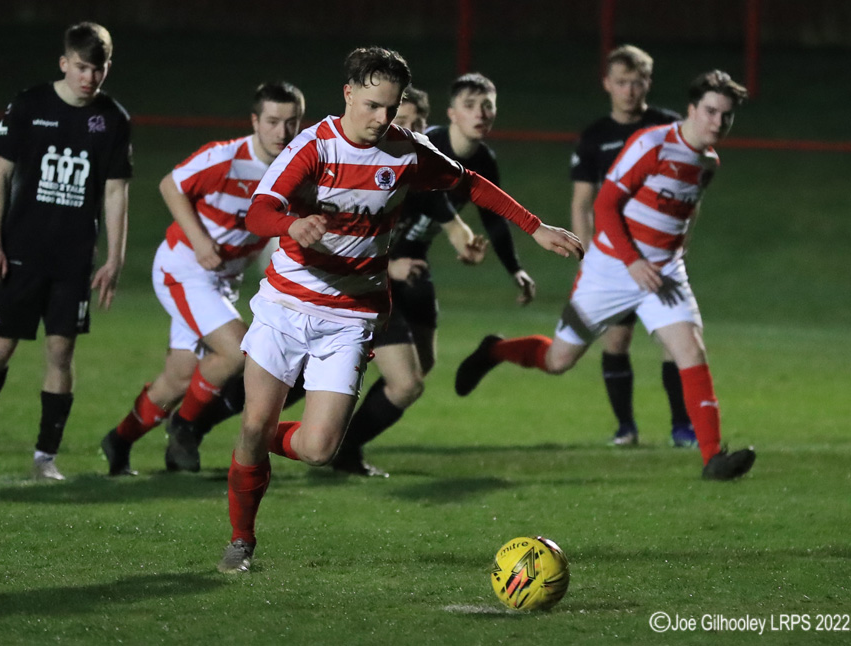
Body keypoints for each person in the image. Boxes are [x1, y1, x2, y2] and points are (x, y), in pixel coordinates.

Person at [218, 46, 583, 573]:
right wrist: (291, 224)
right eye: (372, 105)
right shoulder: (314, 147)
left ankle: (254, 437)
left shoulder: (406, 150)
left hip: (351, 316)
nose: (381, 118)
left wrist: (535, 226)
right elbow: (259, 211)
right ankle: (241, 538)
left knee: (318, 450)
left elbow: (468, 182)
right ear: (347, 94)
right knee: (256, 423)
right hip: (286, 305)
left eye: (390, 108)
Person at [455, 70, 755, 482]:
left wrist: (678, 244)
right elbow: (606, 205)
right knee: (558, 361)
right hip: (611, 269)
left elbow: (688, 206)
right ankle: (495, 350)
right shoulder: (652, 144)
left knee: (691, 351)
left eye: (726, 115)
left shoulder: (708, 162)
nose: (718, 122)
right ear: (691, 108)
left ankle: (713, 459)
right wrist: (632, 261)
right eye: (710, 111)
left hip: (664, 272)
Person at [100, 82, 305, 476]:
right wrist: (199, 241)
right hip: (184, 269)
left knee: (178, 379)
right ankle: (185, 428)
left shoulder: (294, 169)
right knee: (236, 352)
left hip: (222, 281)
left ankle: (119, 440)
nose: (282, 131)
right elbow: (170, 185)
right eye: (272, 121)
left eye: (291, 122)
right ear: (255, 122)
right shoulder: (227, 158)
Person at [0, 22, 131, 480]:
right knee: (0, 347)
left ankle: (45, 457)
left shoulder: (113, 119)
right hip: (20, 252)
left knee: (60, 351)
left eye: (98, 69)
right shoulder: (29, 105)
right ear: (64, 63)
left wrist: (114, 259)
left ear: (107, 68)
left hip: (73, 260)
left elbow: (116, 192)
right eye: (81, 67)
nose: (89, 77)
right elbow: (0, 176)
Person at [329, 87, 488, 477]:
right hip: (363, 285)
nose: (412, 130)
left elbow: (452, 221)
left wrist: (467, 244)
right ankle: (338, 447)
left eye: (419, 123)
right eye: (403, 121)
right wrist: (390, 268)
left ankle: (340, 445)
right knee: (404, 383)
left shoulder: (418, 170)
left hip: (407, 281)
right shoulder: (360, 171)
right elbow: (334, 249)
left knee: (421, 366)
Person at [571, 45, 696, 449]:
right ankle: (626, 427)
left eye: (637, 82)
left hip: (658, 258)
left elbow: (688, 190)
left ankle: (682, 428)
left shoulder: (670, 127)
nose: (629, 90)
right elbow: (583, 204)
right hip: (614, 259)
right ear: (607, 84)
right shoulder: (595, 137)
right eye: (621, 82)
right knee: (616, 341)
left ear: (648, 83)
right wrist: (588, 259)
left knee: (673, 343)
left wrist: (680, 242)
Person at [427, 73, 538, 306]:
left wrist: (515, 269)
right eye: (469, 105)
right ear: (452, 114)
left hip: (411, 257)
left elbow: (493, 217)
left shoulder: (484, 161)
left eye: (487, 105)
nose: (480, 114)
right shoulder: (427, 146)